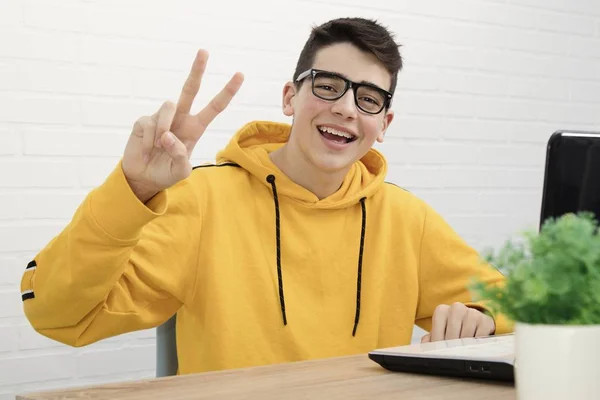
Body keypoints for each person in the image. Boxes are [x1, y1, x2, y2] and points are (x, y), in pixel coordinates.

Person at [20, 17, 512, 374]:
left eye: (368, 98)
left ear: (383, 125)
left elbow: (536, 311)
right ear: (289, 98)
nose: (345, 108)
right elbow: (57, 315)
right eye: (328, 85)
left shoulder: (407, 219)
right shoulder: (201, 199)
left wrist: (483, 322)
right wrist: (135, 190)